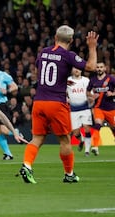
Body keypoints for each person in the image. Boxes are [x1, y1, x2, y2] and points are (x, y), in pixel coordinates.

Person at [18, 25, 98, 184]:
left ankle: (27, 165)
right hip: (56, 103)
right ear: (71, 40)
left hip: (39, 102)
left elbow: (41, 73)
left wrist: (60, 81)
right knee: (65, 140)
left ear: (55, 37)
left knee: (37, 138)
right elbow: (91, 67)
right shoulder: (68, 55)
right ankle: (69, 174)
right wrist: (92, 47)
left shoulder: (43, 52)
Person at [86, 61, 115, 156]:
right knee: (98, 124)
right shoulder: (93, 80)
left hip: (111, 108)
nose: (99, 69)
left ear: (105, 68)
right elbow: (87, 92)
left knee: (114, 128)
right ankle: (95, 146)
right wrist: (91, 96)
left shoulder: (111, 79)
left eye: (101, 67)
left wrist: (113, 94)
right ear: (95, 69)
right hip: (98, 107)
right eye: (97, 67)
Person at [67, 67, 93, 156]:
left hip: (85, 108)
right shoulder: (68, 81)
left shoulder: (86, 80)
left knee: (86, 128)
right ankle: (81, 140)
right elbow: (63, 92)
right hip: (73, 110)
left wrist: (91, 97)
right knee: (76, 132)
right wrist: (66, 98)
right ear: (72, 70)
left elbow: (90, 92)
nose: (77, 70)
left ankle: (87, 151)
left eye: (78, 69)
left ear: (81, 70)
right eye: (75, 69)